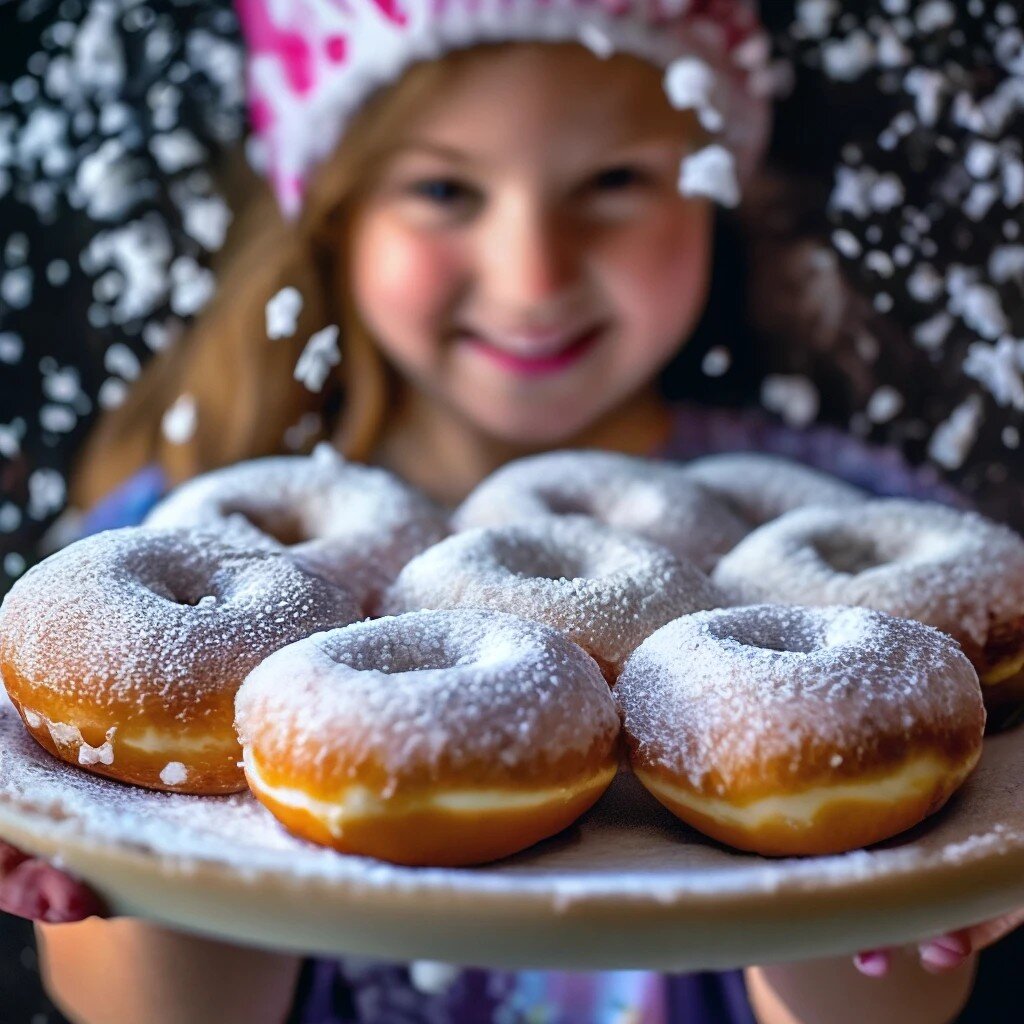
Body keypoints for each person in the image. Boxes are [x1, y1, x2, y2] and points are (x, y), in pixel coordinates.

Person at [1, 1, 1021, 1021]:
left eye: (613, 181)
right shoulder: (174, 532)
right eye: (444, 189)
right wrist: (131, 877)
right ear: (336, 209)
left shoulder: (848, 526)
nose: (533, 273)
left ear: (714, 183)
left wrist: (905, 886)